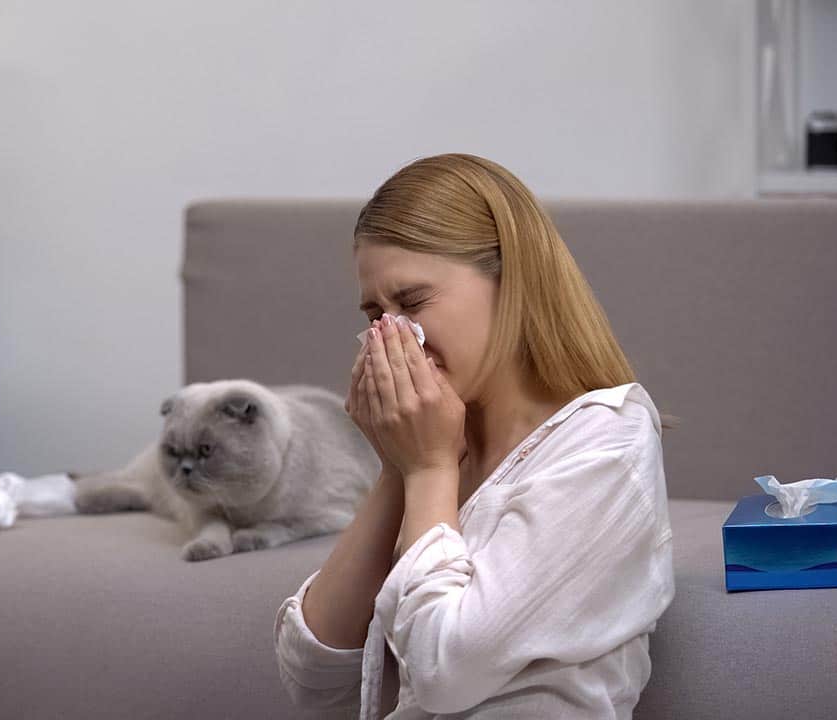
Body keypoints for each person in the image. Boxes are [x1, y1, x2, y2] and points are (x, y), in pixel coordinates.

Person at [273, 153, 678, 719]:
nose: (395, 336)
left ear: (512, 282)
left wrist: (428, 469)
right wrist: (400, 466)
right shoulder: (442, 446)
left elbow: (444, 669)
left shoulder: (605, 444)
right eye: (375, 315)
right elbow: (315, 681)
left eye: (412, 302)